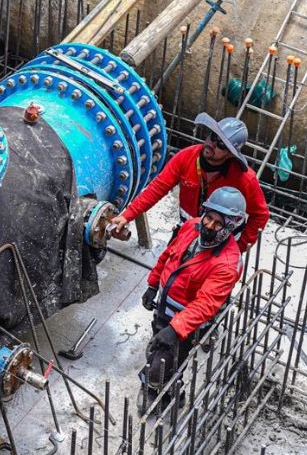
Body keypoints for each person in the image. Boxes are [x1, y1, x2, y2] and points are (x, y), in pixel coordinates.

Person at [136, 187, 247, 413]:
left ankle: (163, 392)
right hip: (164, 310)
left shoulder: (227, 263)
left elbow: (205, 304)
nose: (209, 225)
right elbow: (168, 255)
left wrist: (175, 330)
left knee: (164, 362)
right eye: (209, 218)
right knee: (158, 350)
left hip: (188, 325)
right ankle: (166, 388)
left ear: (231, 227)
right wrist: (153, 284)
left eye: (218, 223)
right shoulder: (191, 227)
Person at [109, 112, 269, 253]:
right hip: (190, 230)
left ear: (230, 154)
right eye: (213, 136)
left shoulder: (244, 178)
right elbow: (157, 188)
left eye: (221, 144)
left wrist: (240, 246)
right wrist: (127, 216)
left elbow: (260, 215)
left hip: (221, 240)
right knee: (171, 267)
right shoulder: (186, 157)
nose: (212, 144)